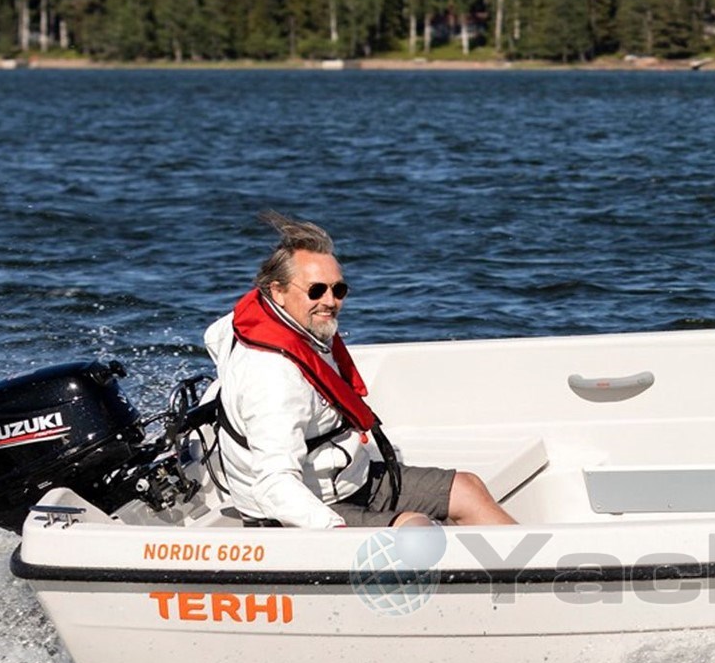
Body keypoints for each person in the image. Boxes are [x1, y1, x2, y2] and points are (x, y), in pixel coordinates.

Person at [204, 211, 515, 528]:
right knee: (415, 529)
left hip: (352, 480)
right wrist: (335, 530)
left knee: (467, 488)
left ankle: (528, 558)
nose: (330, 301)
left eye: (338, 290)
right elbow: (274, 485)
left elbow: (214, 339)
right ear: (277, 291)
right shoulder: (274, 380)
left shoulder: (265, 322)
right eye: (315, 291)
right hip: (308, 506)